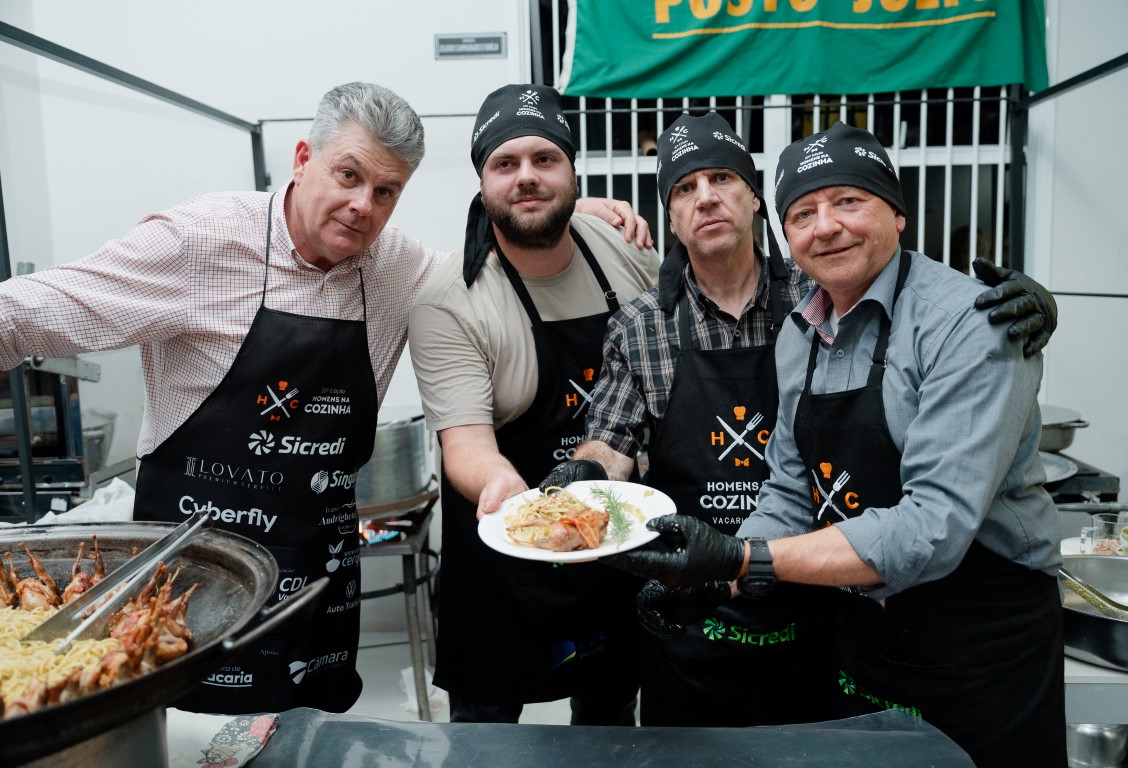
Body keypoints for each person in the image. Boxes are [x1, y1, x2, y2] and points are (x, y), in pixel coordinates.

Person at [0, 81, 649, 715]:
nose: (362, 205)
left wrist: (572, 212)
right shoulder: (200, 242)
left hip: (317, 583)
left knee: (310, 741)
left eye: (385, 191)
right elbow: (28, 314)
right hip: (188, 584)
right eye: (348, 175)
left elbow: (493, 260)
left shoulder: (397, 267)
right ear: (303, 159)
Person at [540, 113, 1059, 730]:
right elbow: (789, 488)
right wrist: (712, 578)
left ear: (897, 212)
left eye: (849, 201)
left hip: (969, 638)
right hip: (857, 632)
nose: (827, 226)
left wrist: (739, 559)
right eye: (805, 213)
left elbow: (931, 528)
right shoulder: (806, 329)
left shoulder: (957, 321)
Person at [408, 83, 660, 725]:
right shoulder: (451, 301)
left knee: (609, 728)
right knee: (485, 743)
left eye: (545, 159)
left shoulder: (625, 251)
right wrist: (518, 504)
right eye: (505, 163)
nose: (526, 176)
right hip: (504, 564)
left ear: (572, 171)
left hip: (614, 545)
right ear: (482, 183)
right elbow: (466, 444)